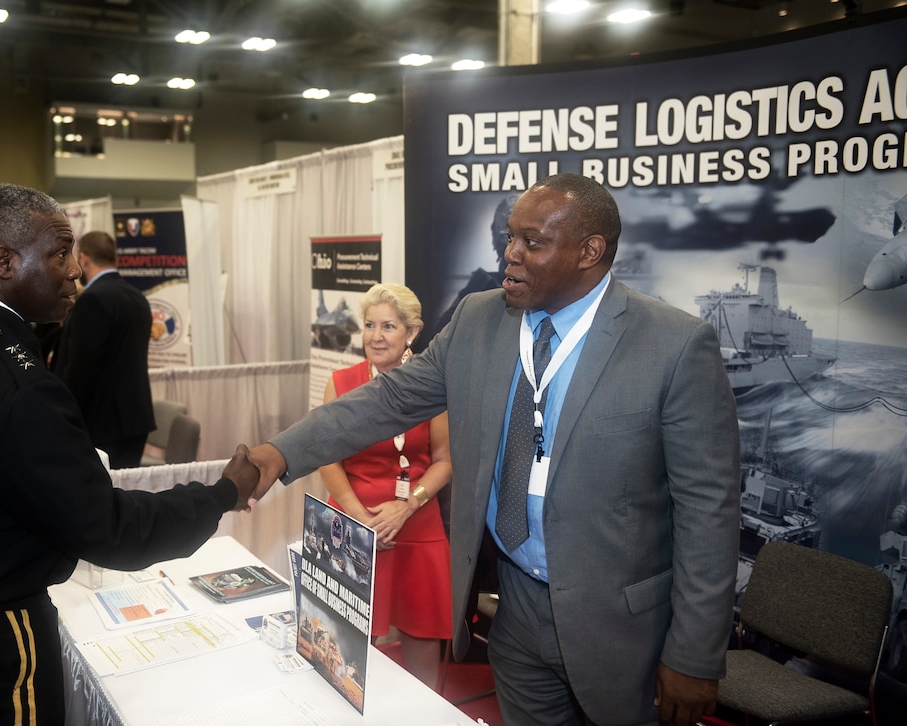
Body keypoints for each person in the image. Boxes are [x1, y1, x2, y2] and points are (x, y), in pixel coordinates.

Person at [244, 174, 741, 726]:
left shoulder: (672, 345)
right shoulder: (480, 319)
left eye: (532, 241)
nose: (511, 253)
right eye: (510, 238)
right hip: (516, 614)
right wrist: (280, 453)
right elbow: (386, 402)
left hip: (622, 632)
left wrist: (695, 654)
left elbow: (709, 511)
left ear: (589, 251)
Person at [0, 183, 259, 725]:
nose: (75, 271)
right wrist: (223, 493)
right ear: (5, 261)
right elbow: (109, 529)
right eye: (60, 253)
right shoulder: (17, 386)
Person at [318, 283, 452, 690]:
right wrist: (359, 518)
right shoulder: (341, 383)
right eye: (370, 325)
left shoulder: (435, 385)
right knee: (344, 644)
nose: (375, 336)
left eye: (388, 326)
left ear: (412, 332)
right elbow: (326, 458)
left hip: (416, 519)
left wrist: (407, 506)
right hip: (352, 518)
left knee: (423, 641)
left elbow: (446, 461)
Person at [54, 230, 155, 468]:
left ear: (85, 259)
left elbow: (81, 367)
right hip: (136, 418)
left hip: (103, 421)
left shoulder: (93, 300)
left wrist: (62, 413)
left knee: (103, 497)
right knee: (127, 493)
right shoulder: (137, 296)